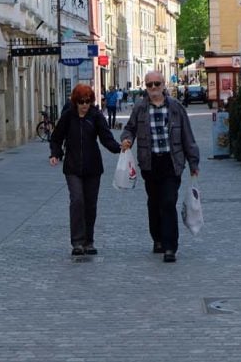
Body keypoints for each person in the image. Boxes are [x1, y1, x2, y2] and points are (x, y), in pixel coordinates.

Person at [120, 70, 200, 263]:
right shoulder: (140, 107)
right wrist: (127, 140)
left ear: (164, 85)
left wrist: (193, 163)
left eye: (157, 84)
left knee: (168, 202)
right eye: (149, 85)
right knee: (154, 203)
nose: (154, 88)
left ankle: (170, 246)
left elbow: (187, 136)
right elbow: (129, 128)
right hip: (149, 162)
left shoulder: (176, 108)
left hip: (172, 162)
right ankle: (157, 239)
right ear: (145, 87)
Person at [48, 83, 121, 256]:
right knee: (77, 201)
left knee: (90, 204)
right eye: (81, 101)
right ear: (76, 102)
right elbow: (56, 138)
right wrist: (55, 154)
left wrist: (119, 148)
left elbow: (106, 138)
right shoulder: (68, 116)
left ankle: (89, 241)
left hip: (93, 167)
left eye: (87, 101)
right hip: (72, 166)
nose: (84, 105)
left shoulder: (96, 116)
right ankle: (77, 242)